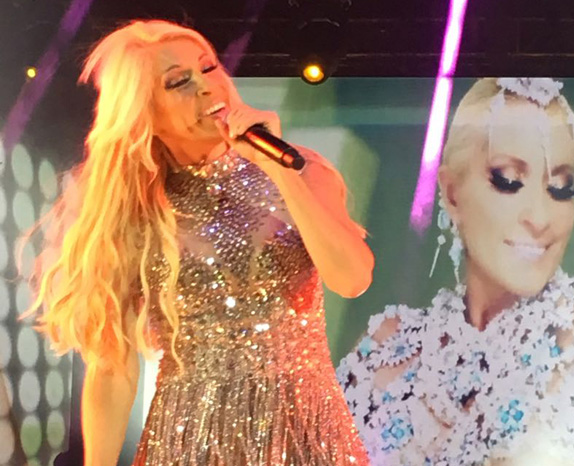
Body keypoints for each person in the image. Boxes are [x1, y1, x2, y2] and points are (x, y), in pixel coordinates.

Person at [24, 20, 373, 466]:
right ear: (145, 114)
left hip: (305, 432)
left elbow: (352, 279)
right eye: (179, 82)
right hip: (189, 438)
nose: (207, 87)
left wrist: (281, 172)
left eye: (209, 68)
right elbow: (112, 367)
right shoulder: (135, 214)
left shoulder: (303, 172)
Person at [337, 78, 574, 465]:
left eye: (560, 188)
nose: (540, 217)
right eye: (508, 181)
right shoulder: (386, 351)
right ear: (452, 193)